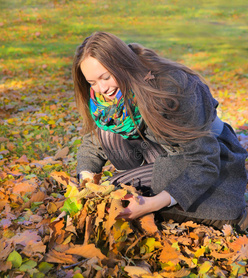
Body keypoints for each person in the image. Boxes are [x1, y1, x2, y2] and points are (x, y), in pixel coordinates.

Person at [72, 31, 248, 232]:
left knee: (116, 193)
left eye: (106, 77)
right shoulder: (110, 100)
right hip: (166, 152)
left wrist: (153, 204)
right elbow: (93, 142)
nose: (102, 89)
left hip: (213, 160)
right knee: (107, 134)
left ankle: (223, 212)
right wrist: (86, 182)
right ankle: (151, 188)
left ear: (121, 64)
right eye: (92, 82)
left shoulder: (172, 89)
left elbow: (204, 161)